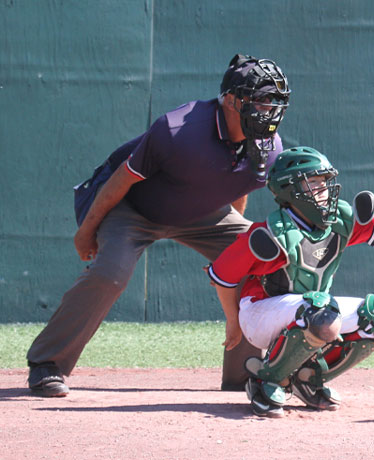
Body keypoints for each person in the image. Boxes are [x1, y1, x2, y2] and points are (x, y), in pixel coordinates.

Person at [27, 54, 291, 397]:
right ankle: (47, 364)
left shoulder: (270, 148)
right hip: (134, 208)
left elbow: (236, 189)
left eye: (275, 101)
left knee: (260, 259)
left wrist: (233, 251)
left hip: (203, 213)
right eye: (259, 99)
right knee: (110, 272)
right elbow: (120, 180)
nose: (268, 108)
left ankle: (244, 374)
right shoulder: (179, 130)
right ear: (229, 100)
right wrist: (86, 232)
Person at [206, 146, 374, 417]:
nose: (324, 189)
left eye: (325, 182)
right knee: (321, 308)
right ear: (289, 190)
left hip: (313, 310)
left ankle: (308, 378)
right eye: (314, 183)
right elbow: (222, 276)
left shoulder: (337, 221)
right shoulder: (272, 233)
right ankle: (265, 380)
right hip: (260, 313)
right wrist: (233, 324)